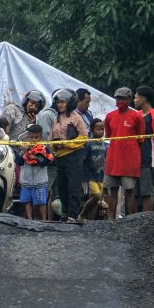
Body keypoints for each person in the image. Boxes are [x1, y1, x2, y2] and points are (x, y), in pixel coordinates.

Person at [103, 87, 144, 219]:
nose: (119, 100)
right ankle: (111, 220)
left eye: (122, 98)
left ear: (129, 100)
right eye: (117, 98)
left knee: (130, 192)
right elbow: (108, 135)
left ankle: (130, 220)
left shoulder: (136, 116)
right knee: (112, 191)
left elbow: (141, 138)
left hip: (129, 160)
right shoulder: (109, 116)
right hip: (113, 159)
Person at [48, 88, 89, 221]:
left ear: (69, 103)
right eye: (58, 102)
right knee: (62, 187)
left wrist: (68, 144)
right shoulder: (56, 118)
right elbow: (50, 138)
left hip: (73, 156)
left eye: (63, 102)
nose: (60, 105)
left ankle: (73, 214)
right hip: (60, 157)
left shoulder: (76, 118)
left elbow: (84, 137)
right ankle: (64, 213)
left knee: (74, 186)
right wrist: (55, 145)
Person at [132, 86, 154, 212]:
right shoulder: (136, 115)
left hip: (148, 160)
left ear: (143, 98)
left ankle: (145, 220)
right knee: (133, 192)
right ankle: (131, 220)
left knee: (146, 193)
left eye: (136, 97)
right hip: (134, 159)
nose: (134, 100)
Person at [20, 123, 54, 221]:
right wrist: (23, 152)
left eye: (36, 137)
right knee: (26, 200)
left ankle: (44, 219)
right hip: (26, 181)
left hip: (40, 181)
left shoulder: (44, 149)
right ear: (28, 137)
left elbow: (46, 162)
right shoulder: (24, 148)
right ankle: (30, 219)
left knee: (41, 201)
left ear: (41, 137)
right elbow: (18, 161)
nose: (34, 140)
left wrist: (36, 157)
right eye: (31, 137)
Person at [82, 119, 108, 218]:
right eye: (98, 129)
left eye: (102, 129)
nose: (101, 132)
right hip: (89, 176)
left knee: (95, 200)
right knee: (95, 196)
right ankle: (82, 214)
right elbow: (83, 158)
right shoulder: (88, 144)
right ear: (91, 130)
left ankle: (91, 221)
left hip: (100, 175)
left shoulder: (104, 144)